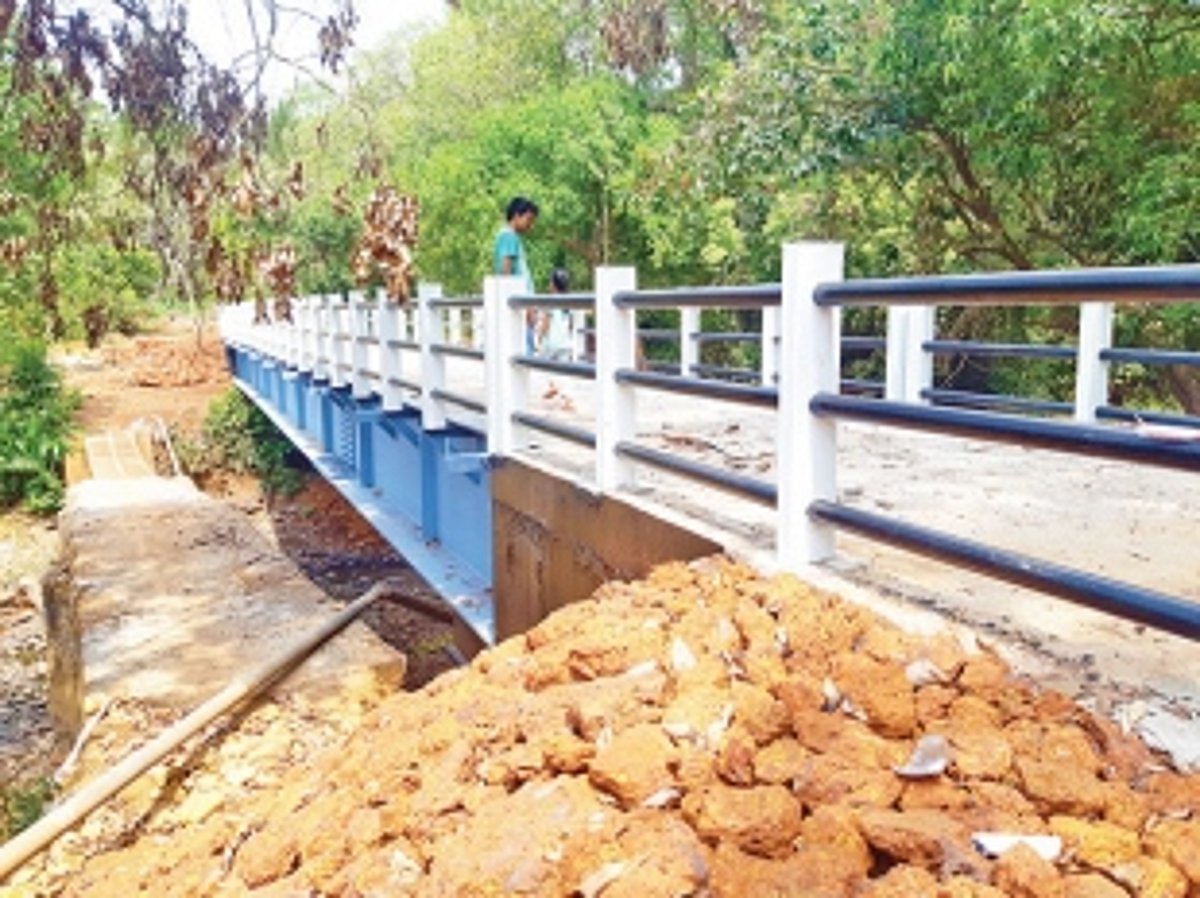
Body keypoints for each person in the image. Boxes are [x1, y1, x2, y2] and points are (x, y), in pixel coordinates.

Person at [493, 196, 539, 353]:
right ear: (517, 215)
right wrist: (525, 307)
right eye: (529, 219)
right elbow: (506, 269)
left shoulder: (505, 236)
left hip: (519, 300)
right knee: (524, 349)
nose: (530, 225)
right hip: (520, 301)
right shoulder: (509, 236)